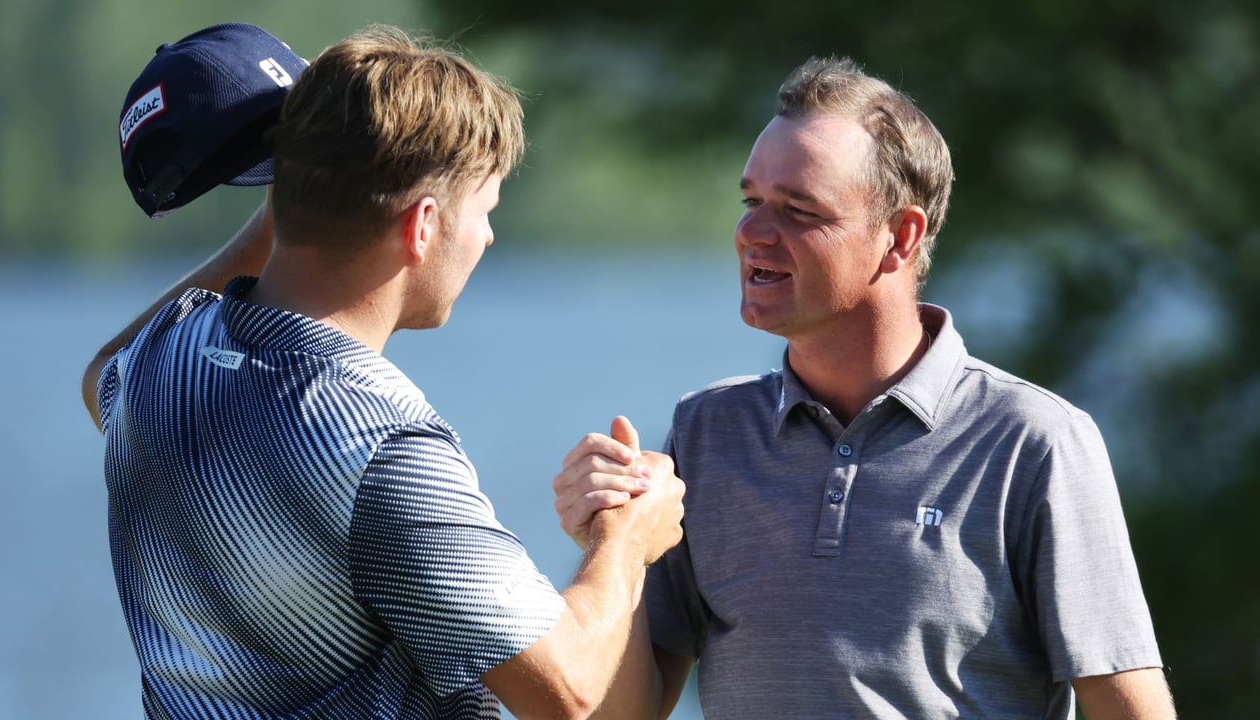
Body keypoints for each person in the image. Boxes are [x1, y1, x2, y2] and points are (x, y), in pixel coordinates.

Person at [82, 23, 684, 720]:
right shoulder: (378, 446)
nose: (487, 236)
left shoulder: (162, 359)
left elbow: (101, 373)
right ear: (423, 226)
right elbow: (571, 692)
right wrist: (625, 541)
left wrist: (294, 198)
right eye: (485, 211)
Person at [554, 56, 1176, 718]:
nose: (751, 232)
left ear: (900, 237)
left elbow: (1127, 707)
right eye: (751, 201)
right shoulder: (708, 432)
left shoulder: (1035, 441)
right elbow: (623, 712)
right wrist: (612, 543)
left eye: (798, 210)